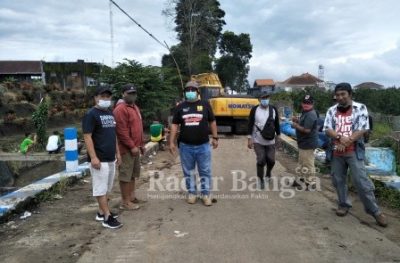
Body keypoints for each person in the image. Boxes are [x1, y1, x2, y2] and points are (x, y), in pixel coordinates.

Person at [323, 82, 387, 227]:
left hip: (353, 151)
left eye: (343, 94)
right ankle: (343, 204)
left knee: (361, 182)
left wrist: (346, 142)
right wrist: (339, 138)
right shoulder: (332, 110)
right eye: (337, 95)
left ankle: (375, 211)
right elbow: (327, 128)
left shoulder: (360, 108)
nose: (340, 97)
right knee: (338, 180)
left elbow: (363, 129)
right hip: (336, 152)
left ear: (350, 94)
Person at [169, 81, 218, 206]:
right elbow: (174, 124)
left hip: (203, 145)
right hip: (186, 146)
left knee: (205, 171)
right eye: (187, 90)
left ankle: (206, 194)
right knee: (188, 171)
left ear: (197, 92)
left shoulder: (205, 104)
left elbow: (212, 122)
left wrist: (215, 137)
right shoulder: (180, 107)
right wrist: (171, 142)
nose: (190, 92)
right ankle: (192, 193)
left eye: (193, 90)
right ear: (185, 92)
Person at [82, 85, 122, 229]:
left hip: (110, 157)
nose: (105, 99)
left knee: (107, 188)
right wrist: (93, 157)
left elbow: (113, 135)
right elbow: (87, 136)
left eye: (108, 97)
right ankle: (107, 217)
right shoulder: (91, 114)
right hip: (99, 159)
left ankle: (101, 212)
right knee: (100, 188)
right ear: (96, 98)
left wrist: (117, 153)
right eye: (102, 96)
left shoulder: (110, 113)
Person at [113, 83, 145, 210]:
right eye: (129, 93)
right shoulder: (120, 109)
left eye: (133, 93)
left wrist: (141, 144)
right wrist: (132, 146)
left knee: (132, 174)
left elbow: (139, 128)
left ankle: (132, 197)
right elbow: (121, 131)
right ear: (123, 94)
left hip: (136, 147)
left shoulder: (135, 107)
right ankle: (125, 202)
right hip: (126, 149)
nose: (132, 95)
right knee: (125, 176)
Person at [247, 93, 281, 189]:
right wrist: (249, 139)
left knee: (271, 160)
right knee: (261, 160)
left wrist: (279, 136)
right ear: (259, 99)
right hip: (258, 139)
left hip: (271, 140)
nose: (265, 100)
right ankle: (261, 179)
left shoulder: (273, 109)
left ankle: (268, 173)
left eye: (267, 98)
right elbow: (250, 124)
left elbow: (277, 123)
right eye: (263, 98)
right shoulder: (254, 110)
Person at [291, 95, 319, 189]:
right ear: (302, 103)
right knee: (302, 162)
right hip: (303, 142)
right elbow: (303, 123)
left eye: (308, 103)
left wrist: (296, 126)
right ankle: (300, 179)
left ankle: (311, 182)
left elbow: (307, 130)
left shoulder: (311, 114)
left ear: (312, 104)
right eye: (305, 103)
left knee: (308, 163)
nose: (306, 105)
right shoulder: (305, 112)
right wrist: (297, 121)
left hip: (308, 143)